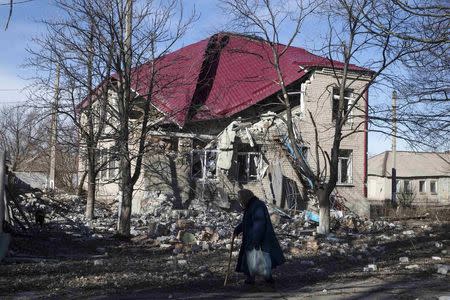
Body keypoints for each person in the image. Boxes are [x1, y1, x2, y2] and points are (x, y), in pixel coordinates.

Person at [233, 189, 285, 284]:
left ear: (245, 198)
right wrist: (238, 229)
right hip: (252, 236)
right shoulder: (251, 206)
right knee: (251, 257)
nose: (240, 202)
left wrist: (255, 239)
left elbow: (259, 224)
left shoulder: (258, 206)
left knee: (261, 257)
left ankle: (266, 278)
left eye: (241, 199)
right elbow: (247, 221)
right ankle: (252, 278)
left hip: (260, 237)